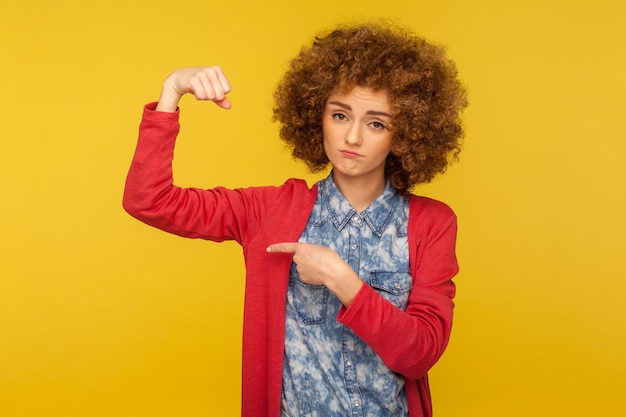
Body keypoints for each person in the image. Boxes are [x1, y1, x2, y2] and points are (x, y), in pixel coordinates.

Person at [123, 22, 467, 417]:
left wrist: (342, 280)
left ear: (404, 132)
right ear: (315, 115)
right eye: (340, 115)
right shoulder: (270, 212)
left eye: (376, 123)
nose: (352, 137)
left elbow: (418, 354)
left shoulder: (431, 224)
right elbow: (148, 201)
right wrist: (171, 92)